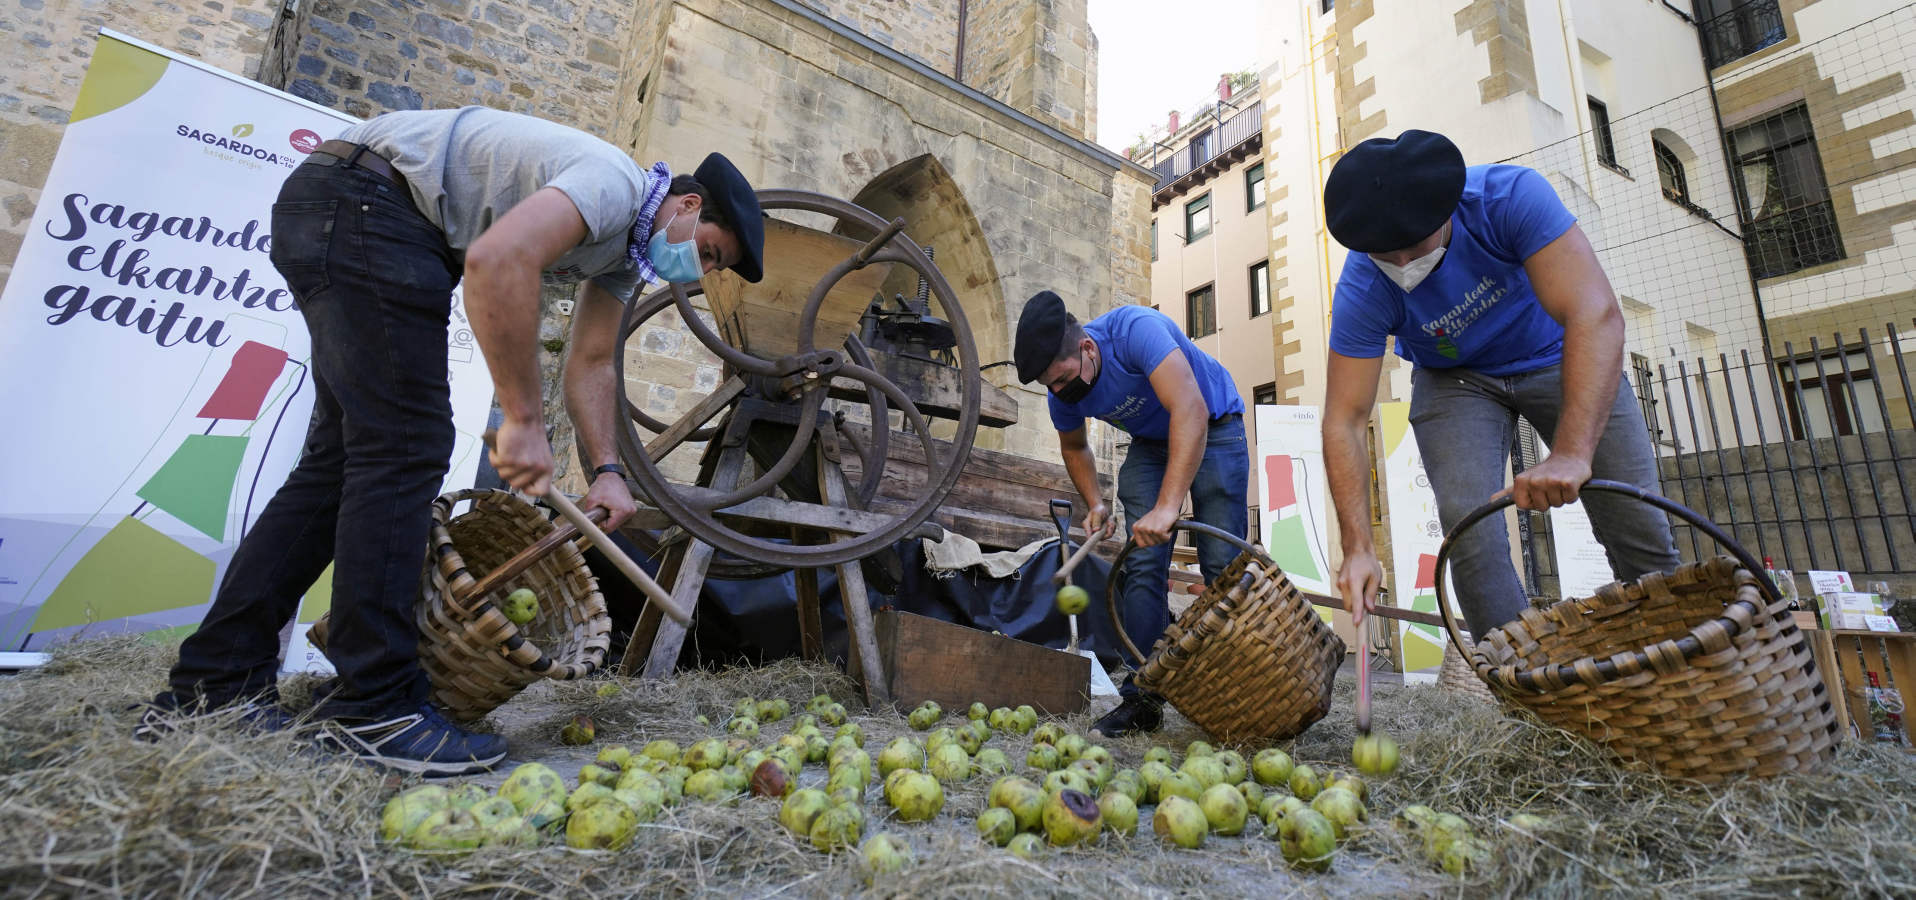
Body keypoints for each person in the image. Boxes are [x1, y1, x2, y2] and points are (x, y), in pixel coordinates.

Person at [137, 106, 765, 776]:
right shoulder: (614, 183)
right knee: (407, 448)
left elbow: (590, 363)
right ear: (688, 205)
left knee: (343, 461)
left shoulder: (622, 254)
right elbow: (501, 259)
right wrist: (522, 418)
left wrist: (608, 469)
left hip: (348, 210)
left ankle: (215, 682)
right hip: (368, 204)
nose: (694, 273)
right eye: (706, 252)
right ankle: (373, 707)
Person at [1318, 129, 1678, 641]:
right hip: (1455, 378)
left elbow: (1594, 314)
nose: (1402, 265)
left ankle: (1677, 653)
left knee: (1634, 515)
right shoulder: (1364, 285)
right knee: (1469, 529)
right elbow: (1345, 420)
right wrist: (1357, 546)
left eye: (1413, 247)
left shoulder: (1509, 200)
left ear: (1446, 213)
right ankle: (1519, 679)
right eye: (1384, 254)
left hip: (1558, 353)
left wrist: (1574, 454)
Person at [1013, 290, 1249, 737]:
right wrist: (1096, 503)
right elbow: (1075, 445)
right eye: (1050, 386)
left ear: (1086, 348)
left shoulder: (1136, 331)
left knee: (1222, 567)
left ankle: (1239, 690)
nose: (1059, 392)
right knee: (1141, 565)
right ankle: (1142, 698)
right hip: (1150, 443)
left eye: (1062, 379)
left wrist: (1167, 507)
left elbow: (1191, 410)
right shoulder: (1061, 388)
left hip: (1213, 424)